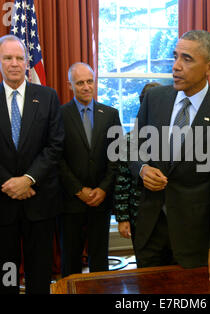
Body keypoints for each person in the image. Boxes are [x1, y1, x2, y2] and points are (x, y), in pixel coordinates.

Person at [130, 30, 210, 281]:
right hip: (149, 229)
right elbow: (133, 148)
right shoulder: (154, 98)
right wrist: (141, 168)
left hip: (194, 238)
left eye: (187, 59)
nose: (176, 66)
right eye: (175, 57)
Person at [0, 35, 64, 294]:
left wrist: (28, 179)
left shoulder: (48, 96)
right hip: (1, 203)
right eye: (7, 58)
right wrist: (9, 183)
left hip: (39, 202)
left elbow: (55, 146)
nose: (14, 63)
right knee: (6, 270)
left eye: (20, 58)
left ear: (27, 63)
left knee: (39, 272)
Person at [58, 62, 122, 276]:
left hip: (101, 200)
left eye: (89, 81)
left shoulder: (111, 114)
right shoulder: (59, 115)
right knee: (70, 257)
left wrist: (103, 189)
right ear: (70, 86)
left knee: (99, 257)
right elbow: (57, 159)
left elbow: (116, 156)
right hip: (70, 200)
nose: (86, 87)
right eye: (80, 83)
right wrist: (78, 190)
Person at [114, 82, 161, 245]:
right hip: (138, 213)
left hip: (170, 215)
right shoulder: (129, 139)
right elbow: (122, 180)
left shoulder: (176, 138)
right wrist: (122, 217)